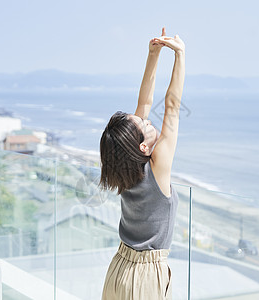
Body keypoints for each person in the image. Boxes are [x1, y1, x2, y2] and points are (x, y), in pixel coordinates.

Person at [99, 27, 185, 300]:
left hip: (119, 267)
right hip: (147, 276)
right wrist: (180, 56)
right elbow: (171, 108)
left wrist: (153, 54)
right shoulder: (156, 168)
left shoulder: (124, 168)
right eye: (146, 125)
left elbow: (145, 102)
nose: (148, 120)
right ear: (143, 147)